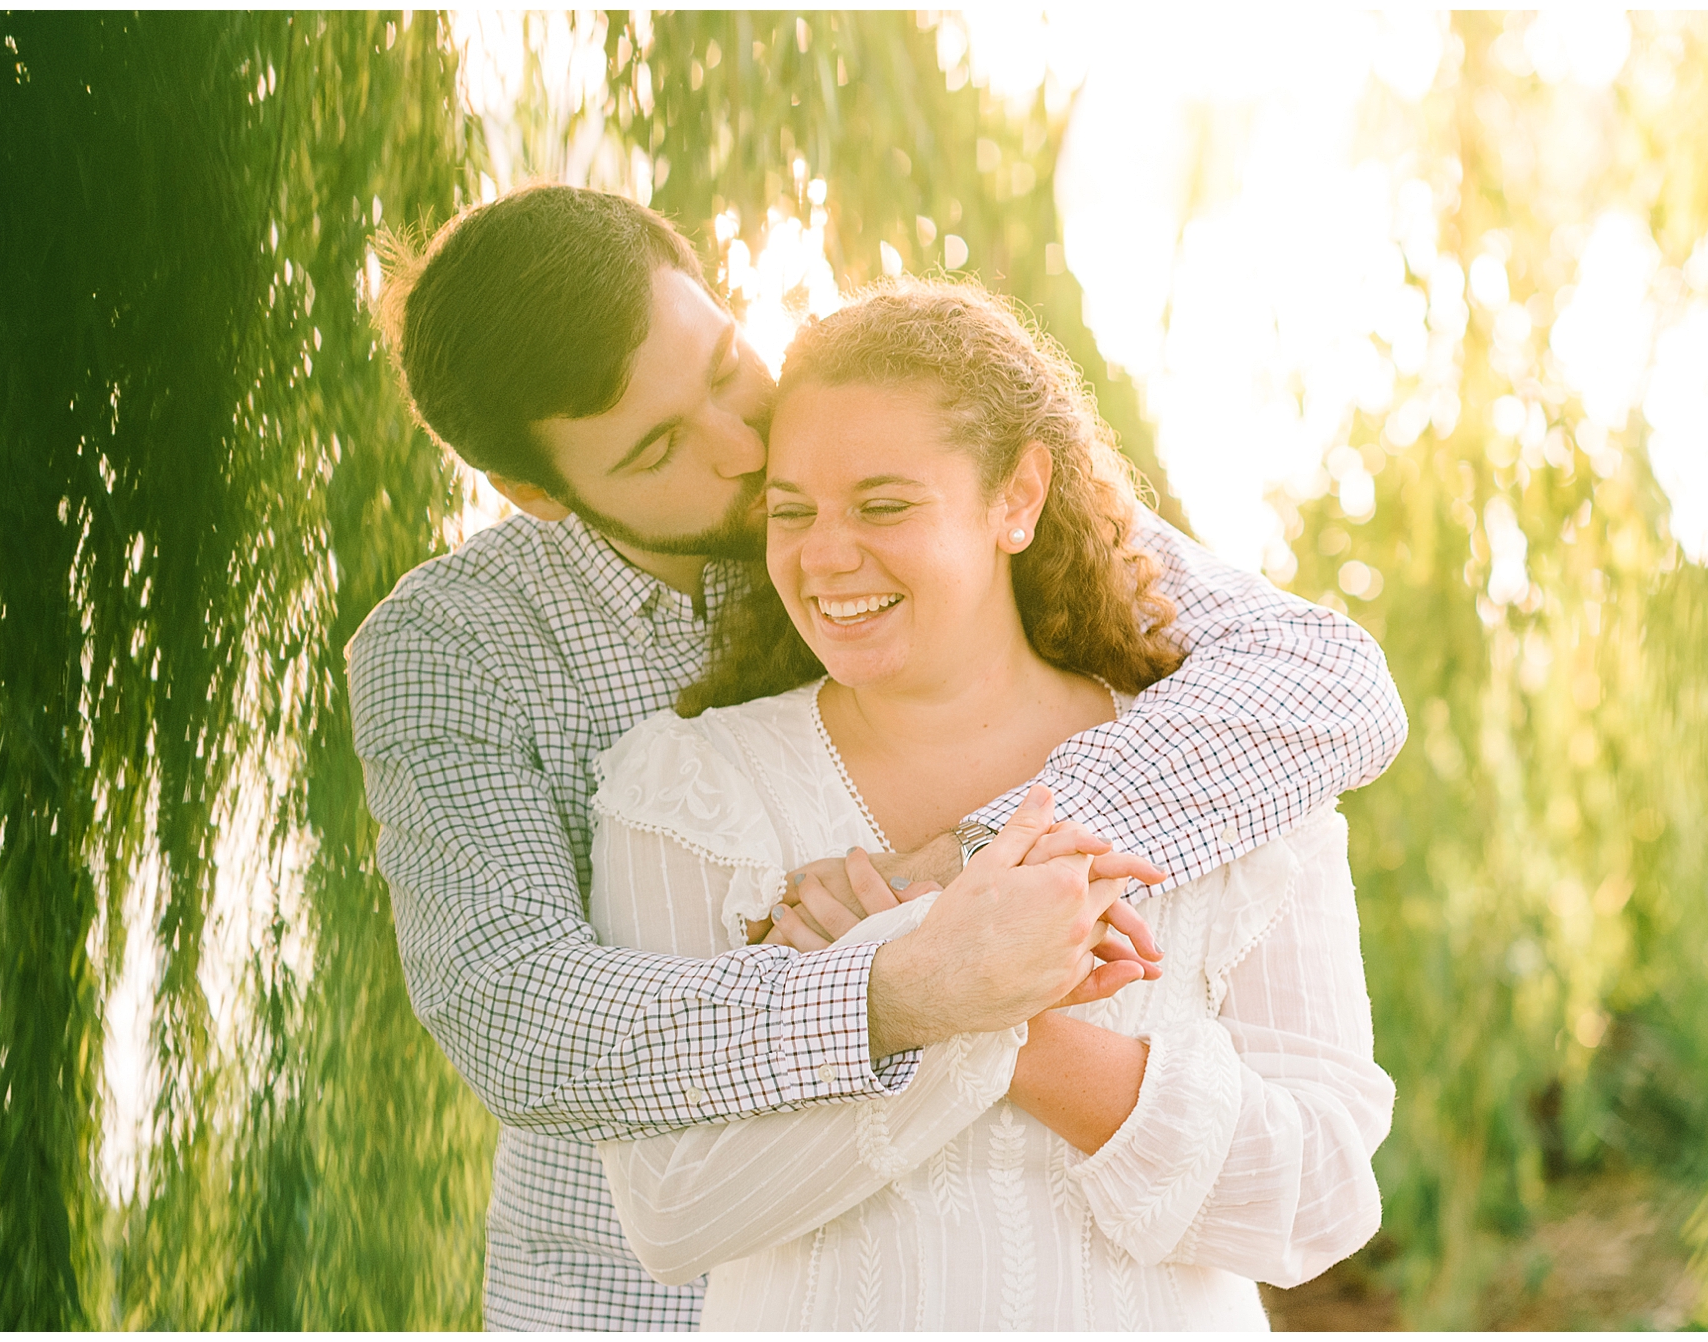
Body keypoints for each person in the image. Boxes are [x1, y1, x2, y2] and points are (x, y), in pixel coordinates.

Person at [347, 184, 1407, 1330]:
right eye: (659, 445)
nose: (746, 449)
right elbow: (522, 1015)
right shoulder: (451, 650)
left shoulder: (878, 455)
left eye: (719, 370)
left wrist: (958, 867)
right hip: (626, 1304)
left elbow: (1324, 681)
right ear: (536, 493)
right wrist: (901, 989)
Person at [591, 279, 1395, 1329]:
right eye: (792, 512)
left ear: (1015, 498)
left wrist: (1002, 1024)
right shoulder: (689, 793)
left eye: (883, 504)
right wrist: (943, 990)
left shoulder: (1233, 765)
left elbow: (1319, 1200)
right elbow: (672, 1207)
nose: (826, 554)